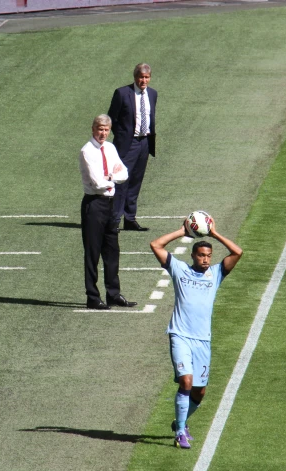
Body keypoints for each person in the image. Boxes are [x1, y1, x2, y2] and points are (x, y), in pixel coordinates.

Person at [150, 218, 243, 449]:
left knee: (200, 392)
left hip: (203, 340)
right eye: (201, 255)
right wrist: (182, 231)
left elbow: (237, 252)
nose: (205, 259)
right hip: (180, 335)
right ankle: (180, 432)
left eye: (208, 256)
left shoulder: (216, 274)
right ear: (193, 255)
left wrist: (214, 234)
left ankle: (180, 422)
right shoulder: (179, 269)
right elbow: (156, 245)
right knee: (187, 382)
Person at [80, 114, 138, 310]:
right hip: (94, 204)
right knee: (92, 253)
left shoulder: (110, 148)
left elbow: (124, 173)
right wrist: (112, 178)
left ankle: (113, 294)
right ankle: (92, 297)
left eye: (106, 130)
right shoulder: (87, 151)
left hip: (110, 203)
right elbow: (97, 183)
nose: (103, 133)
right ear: (93, 129)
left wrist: (111, 176)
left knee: (112, 251)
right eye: (100, 129)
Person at [107, 63, 157, 232]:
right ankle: (114, 220)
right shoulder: (122, 93)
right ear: (135, 77)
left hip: (144, 143)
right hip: (127, 144)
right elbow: (111, 118)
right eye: (141, 77)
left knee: (136, 181)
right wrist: (122, 136)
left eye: (147, 77)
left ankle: (130, 219)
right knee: (121, 180)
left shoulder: (152, 94)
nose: (144, 80)